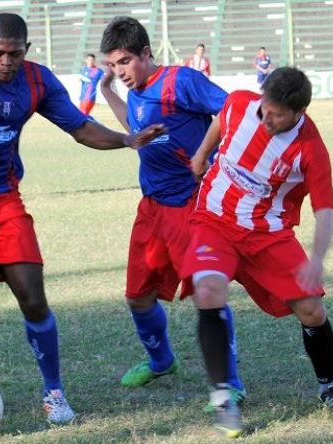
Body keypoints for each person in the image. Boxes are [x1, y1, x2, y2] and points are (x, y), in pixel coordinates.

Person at [0, 13, 164, 425]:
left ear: (28, 50)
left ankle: (54, 392)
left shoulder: (37, 81)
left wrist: (127, 140)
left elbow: (80, 128)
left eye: (15, 53)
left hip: (3, 203)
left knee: (33, 297)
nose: (6, 61)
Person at [183, 67, 333, 438]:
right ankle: (223, 400)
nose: (268, 118)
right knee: (208, 290)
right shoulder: (240, 103)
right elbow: (220, 120)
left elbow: (325, 210)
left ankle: (328, 385)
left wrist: (316, 260)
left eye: (278, 115)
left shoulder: (310, 147)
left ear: (299, 113)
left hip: (268, 233)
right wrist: (202, 154)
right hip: (213, 220)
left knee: (312, 309)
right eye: (267, 108)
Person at [98, 16, 245, 410]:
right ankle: (161, 361)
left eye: (125, 62)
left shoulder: (180, 81)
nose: (120, 71)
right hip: (151, 208)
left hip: (191, 207)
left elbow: (232, 110)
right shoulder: (135, 87)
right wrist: (105, 88)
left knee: (207, 297)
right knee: (138, 297)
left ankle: (230, 382)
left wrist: (205, 155)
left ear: (147, 53)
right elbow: (134, 124)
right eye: (113, 64)